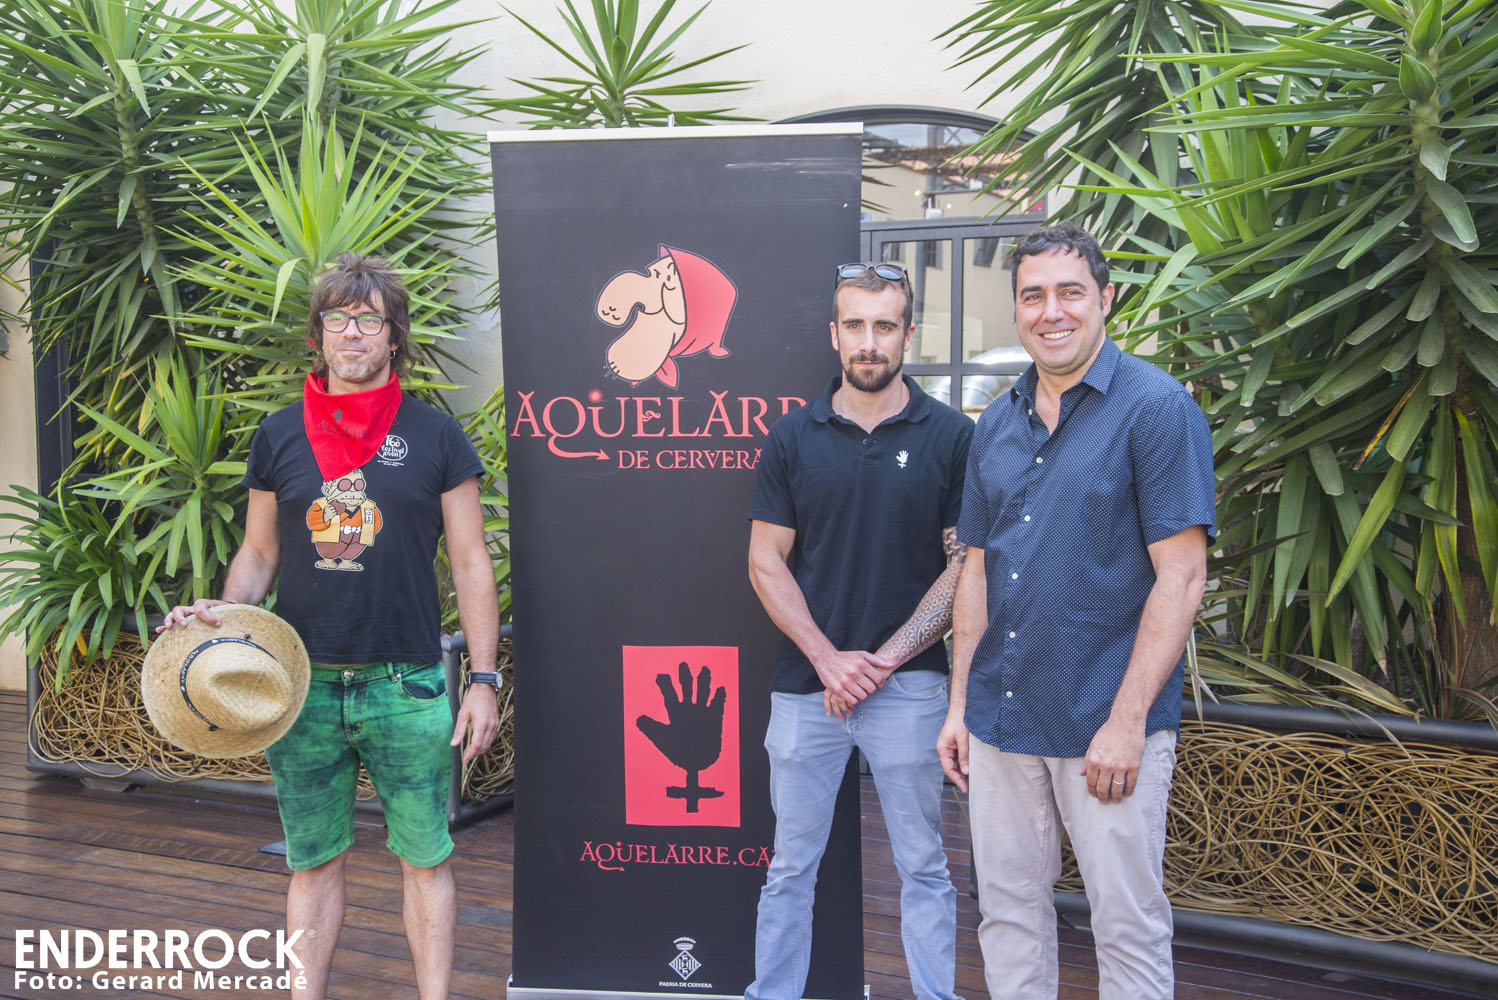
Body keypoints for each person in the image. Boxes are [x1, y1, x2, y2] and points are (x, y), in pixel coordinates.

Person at [158, 252, 500, 1000]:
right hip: (301, 688)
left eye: (368, 320)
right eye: (338, 318)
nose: (352, 332)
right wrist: (221, 619)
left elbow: (472, 561)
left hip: (407, 685)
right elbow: (258, 552)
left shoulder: (436, 435)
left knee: (426, 860)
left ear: (393, 336)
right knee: (312, 863)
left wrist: (482, 680)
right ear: (317, 334)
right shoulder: (280, 434)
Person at [938, 223, 1215, 999]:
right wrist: (959, 706)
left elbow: (1183, 576)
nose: (1051, 311)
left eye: (1070, 292)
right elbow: (977, 569)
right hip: (1001, 719)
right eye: (1033, 296)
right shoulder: (997, 422)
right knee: (1007, 915)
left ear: (1105, 300)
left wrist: (1128, 722)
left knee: (1126, 924)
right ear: (1016, 309)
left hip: (1104, 721)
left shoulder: (1156, 409)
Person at [745, 261, 973, 1000]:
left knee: (924, 866)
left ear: (908, 334)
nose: (868, 341)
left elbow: (964, 566)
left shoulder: (952, 436)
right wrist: (828, 659)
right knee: (789, 868)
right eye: (855, 326)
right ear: (834, 334)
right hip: (806, 688)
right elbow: (765, 561)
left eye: (884, 326)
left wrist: (884, 659)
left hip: (909, 689)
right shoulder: (792, 436)